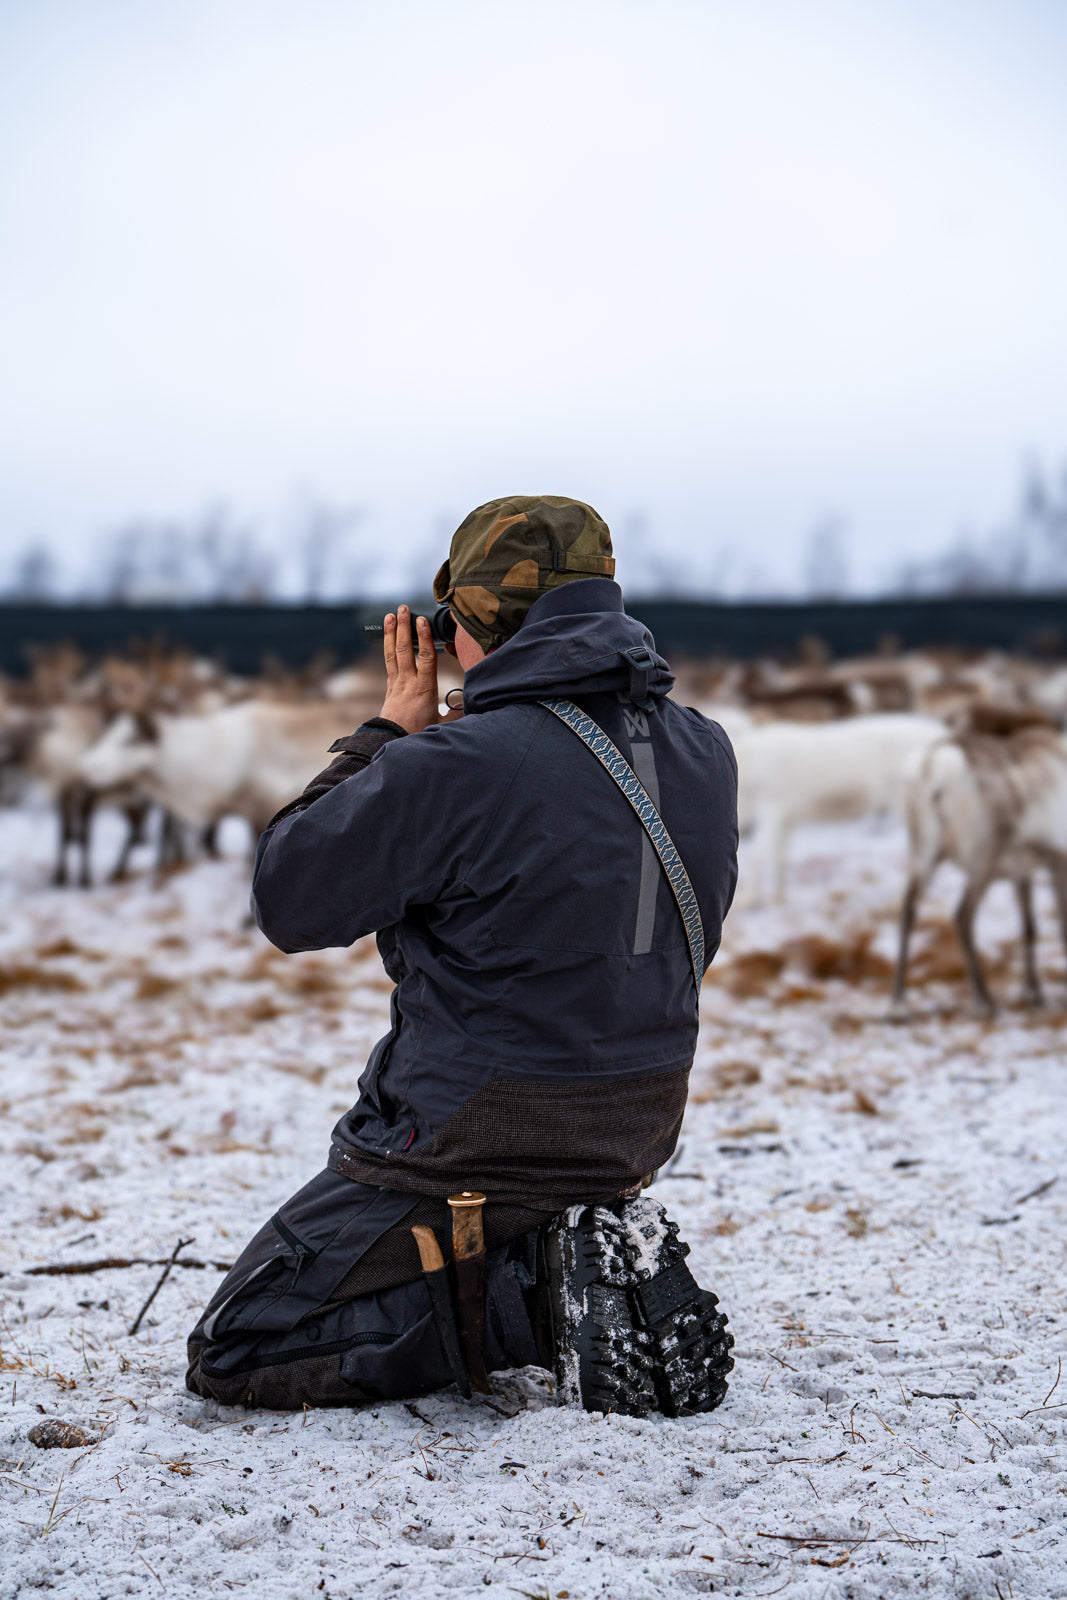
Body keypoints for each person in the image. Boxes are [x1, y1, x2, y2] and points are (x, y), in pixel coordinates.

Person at [186, 495, 738, 1416]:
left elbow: (288, 896)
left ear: (474, 619)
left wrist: (387, 736)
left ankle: (537, 1299)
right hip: (636, 1120)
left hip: (470, 1137)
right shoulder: (703, 749)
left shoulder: (453, 764)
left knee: (240, 1345)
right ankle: (573, 1246)